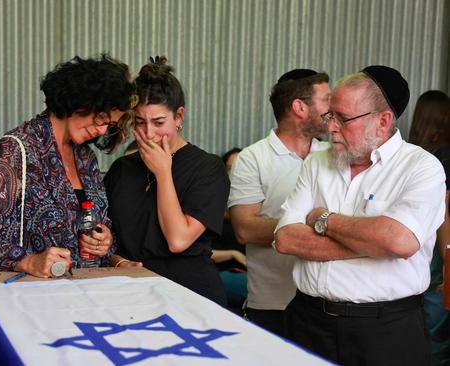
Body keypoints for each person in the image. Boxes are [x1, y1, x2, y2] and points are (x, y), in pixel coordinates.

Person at [274, 65, 445, 365]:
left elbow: (398, 241)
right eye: (330, 115)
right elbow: (286, 238)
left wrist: (323, 219)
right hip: (307, 323)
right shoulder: (317, 164)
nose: (331, 127)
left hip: (386, 332)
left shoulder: (422, 168)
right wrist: (372, 244)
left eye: (343, 118)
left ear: (383, 122)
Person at [0, 54, 136, 277]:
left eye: (109, 125)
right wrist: (27, 262)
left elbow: (95, 224)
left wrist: (103, 241)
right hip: (28, 299)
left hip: (80, 293)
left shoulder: (86, 159)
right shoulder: (16, 150)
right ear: (80, 100)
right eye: (101, 117)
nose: (102, 130)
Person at [104, 56, 230, 306]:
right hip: (129, 294)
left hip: (190, 296)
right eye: (140, 122)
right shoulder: (121, 169)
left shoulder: (208, 168)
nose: (149, 133)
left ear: (179, 117)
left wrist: (163, 172)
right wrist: (118, 261)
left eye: (159, 122)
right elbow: (106, 242)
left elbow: (178, 240)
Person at [228, 69, 330, 336]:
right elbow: (245, 229)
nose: (333, 109)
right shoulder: (253, 158)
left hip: (327, 301)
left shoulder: (332, 155)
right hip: (273, 303)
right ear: (299, 107)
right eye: (326, 100)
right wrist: (320, 227)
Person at [408, 90, 450, 365]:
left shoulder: (414, 156)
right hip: (440, 250)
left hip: (419, 247)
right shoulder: (444, 157)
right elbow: (444, 211)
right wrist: (448, 256)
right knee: (437, 333)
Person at [212, 148, 248, 309]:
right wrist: (234, 254)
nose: (236, 174)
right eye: (231, 168)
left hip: (253, 272)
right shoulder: (213, 205)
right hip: (223, 272)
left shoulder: (255, 206)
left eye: (242, 168)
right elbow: (199, 251)